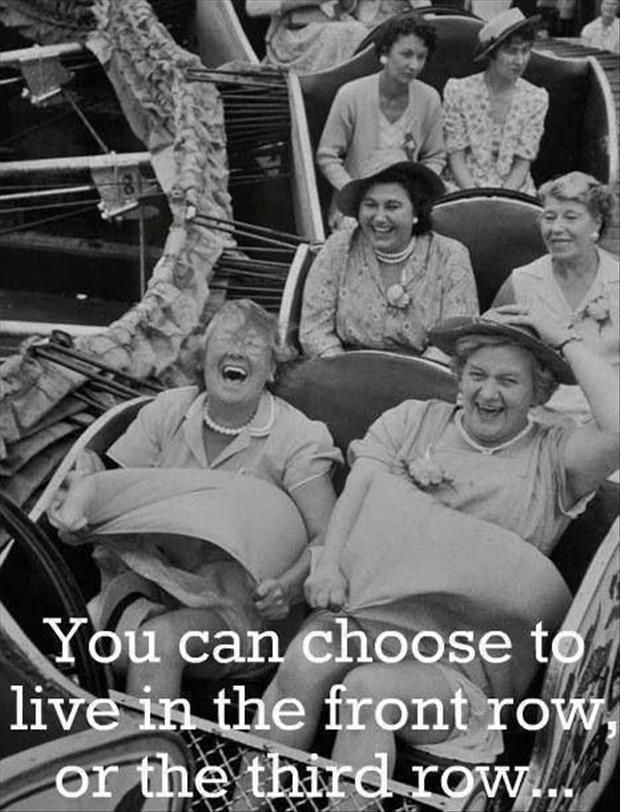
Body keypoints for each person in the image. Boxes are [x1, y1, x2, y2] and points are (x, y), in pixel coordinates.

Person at [238, 305, 619, 805]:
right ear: (459, 374)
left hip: (465, 664)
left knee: (369, 691)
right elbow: (359, 491)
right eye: (477, 375)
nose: (488, 393)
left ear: (538, 392)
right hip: (372, 617)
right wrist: (328, 565)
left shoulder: (557, 458)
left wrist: (562, 338)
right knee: (304, 661)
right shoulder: (413, 420)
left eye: (508, 381)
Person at [47, 299, 342, 700]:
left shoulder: (299, 436)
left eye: (253, 343)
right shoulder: (167, 411)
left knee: (159, 642)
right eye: (227, 337)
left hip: (244, 610)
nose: (238, 349)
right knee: (79, 634)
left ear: (272, 369)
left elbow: (328, 537)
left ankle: (148, 744)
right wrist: (80, 521)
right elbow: (116, 497)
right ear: (202, 359)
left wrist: (287, 589)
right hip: (154, 582)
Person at [299, 155, 478, 357]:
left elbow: (457, 337)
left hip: (426, 371)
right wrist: (341, 368)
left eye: (392, 206)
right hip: (343, 367)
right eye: (370, 205)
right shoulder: (338, 248)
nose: (379, 218)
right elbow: (314, 329)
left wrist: (417, 372)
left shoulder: (450, 255)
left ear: (416, 212)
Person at [494, 171, 618, 422]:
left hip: (611, 421)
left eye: (571, 217)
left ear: (596, 223)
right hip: (536, 422)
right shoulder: (520, 282)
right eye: (549, 217)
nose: (556, 228)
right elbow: (491, 354)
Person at [316, 12, 445, 208]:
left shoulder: (429, 98)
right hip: (357, 204)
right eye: (406, 54)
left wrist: (417, 190)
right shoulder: (351, 94)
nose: (414, 65)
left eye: (421, 57)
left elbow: (435, 156)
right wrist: (353, 192)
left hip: (408, 204)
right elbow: (327, 156)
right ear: (385, 52)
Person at [442, 8, 548, 195]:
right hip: (463, 185)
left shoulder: (536, 98)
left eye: (525, 51)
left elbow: (523, 162)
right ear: (492, 54)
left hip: (514, 187)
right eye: (511, 51)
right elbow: (456, 156)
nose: (520, 60)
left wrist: (502, 199)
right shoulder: (458, 91)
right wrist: (474, 196)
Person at [245, 0, 428, 74]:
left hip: (338, 34)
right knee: (352, 34)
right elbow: (253, 6)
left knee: (362, 36)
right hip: (293, 40)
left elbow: (362, 13)